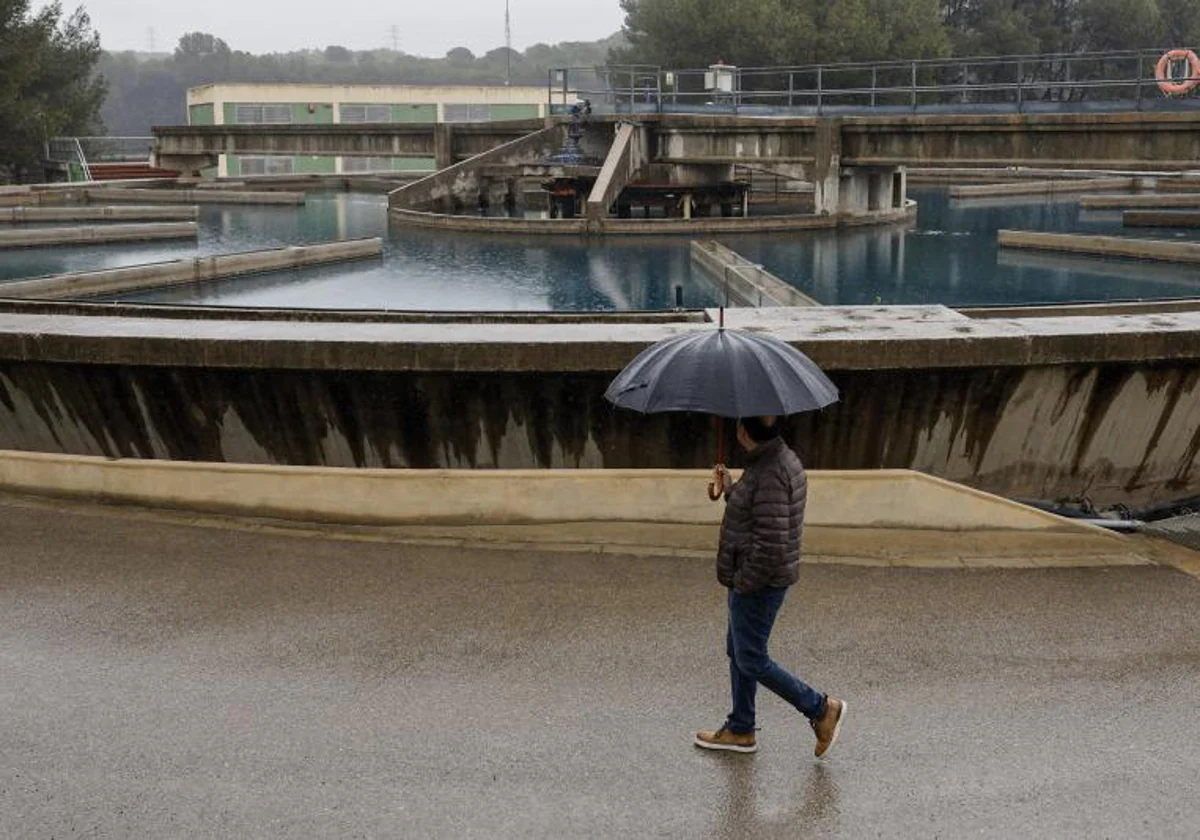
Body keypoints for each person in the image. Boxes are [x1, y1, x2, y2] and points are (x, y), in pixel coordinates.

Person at [695, 415, 846, 758]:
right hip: (755, 578)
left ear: (744, 432)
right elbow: (759, 516)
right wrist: (730, 487)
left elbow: (772, 544)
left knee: (751, 657)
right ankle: (741, 728)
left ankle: (821, 709)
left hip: (759, 582)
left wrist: (745, 582)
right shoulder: (773, 461)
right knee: (739, 650)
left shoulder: (769, 473)